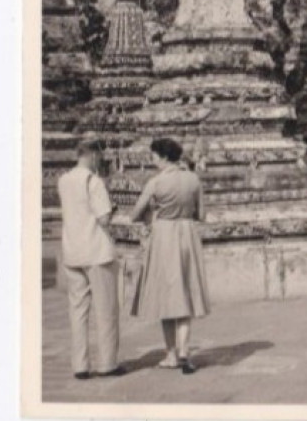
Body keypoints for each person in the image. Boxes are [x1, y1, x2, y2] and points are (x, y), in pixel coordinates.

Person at [130, 137, 210, 374]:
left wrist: (153, 212)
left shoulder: (155, 183)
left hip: (164, 234)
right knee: (185, 290)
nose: (152, 160)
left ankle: (171, 354)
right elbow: (202, 214)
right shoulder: (193, 179)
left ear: (163, 157)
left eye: (153, 156)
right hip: (186, 233)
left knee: (167, 294)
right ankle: (185, 351)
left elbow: (135, 213)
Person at [57, 136, 125, 380]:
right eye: (100, 157)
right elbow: (104, 219)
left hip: (72, 252)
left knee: (77, 312)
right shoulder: (93, 181)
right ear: (94, 155)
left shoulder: (63, 180)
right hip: (96, 252)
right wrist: (113, 208)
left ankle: (80, 365)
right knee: (106, 310)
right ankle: (107, 363)